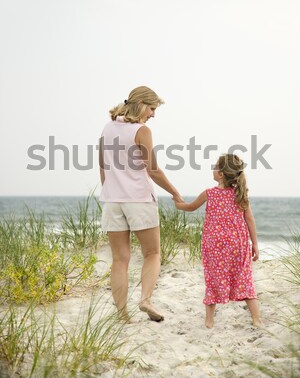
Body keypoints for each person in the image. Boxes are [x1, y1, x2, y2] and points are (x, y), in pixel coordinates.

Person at [99, 86, 183, 322]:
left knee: (119, 259)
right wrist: (175, 193)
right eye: (152, 108)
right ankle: (145, 299)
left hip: (112, 201)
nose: (153, 114)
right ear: (142, 105)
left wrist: (110, 190)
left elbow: (103, 167)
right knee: (153, 253)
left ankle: (122, 315)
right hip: (138, 199)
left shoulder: (106, 128)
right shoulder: (141, 130)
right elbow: (153, 170)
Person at [175, 154, 262, 328]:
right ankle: (256, 319)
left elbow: (190, 207)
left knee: (213, 278)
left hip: (214, 245)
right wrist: (255, 245)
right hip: (238, 243)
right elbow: (250, 219)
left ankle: (209, 321)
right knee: (244, 279)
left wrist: (178, 203)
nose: (213, 169)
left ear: (221, 174)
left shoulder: (209, 193)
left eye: (215, 167)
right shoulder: (240, 194)